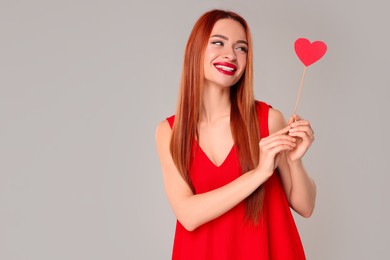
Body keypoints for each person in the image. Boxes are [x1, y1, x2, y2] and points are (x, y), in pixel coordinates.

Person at [155, 9, 316, 260]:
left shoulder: (269, 119)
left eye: (241, 48)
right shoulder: (169, 132)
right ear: (196, 49)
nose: (231, 54)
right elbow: (188, 215)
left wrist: (295, 161)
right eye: (218, 43)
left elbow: (306, 207)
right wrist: (259, 173)